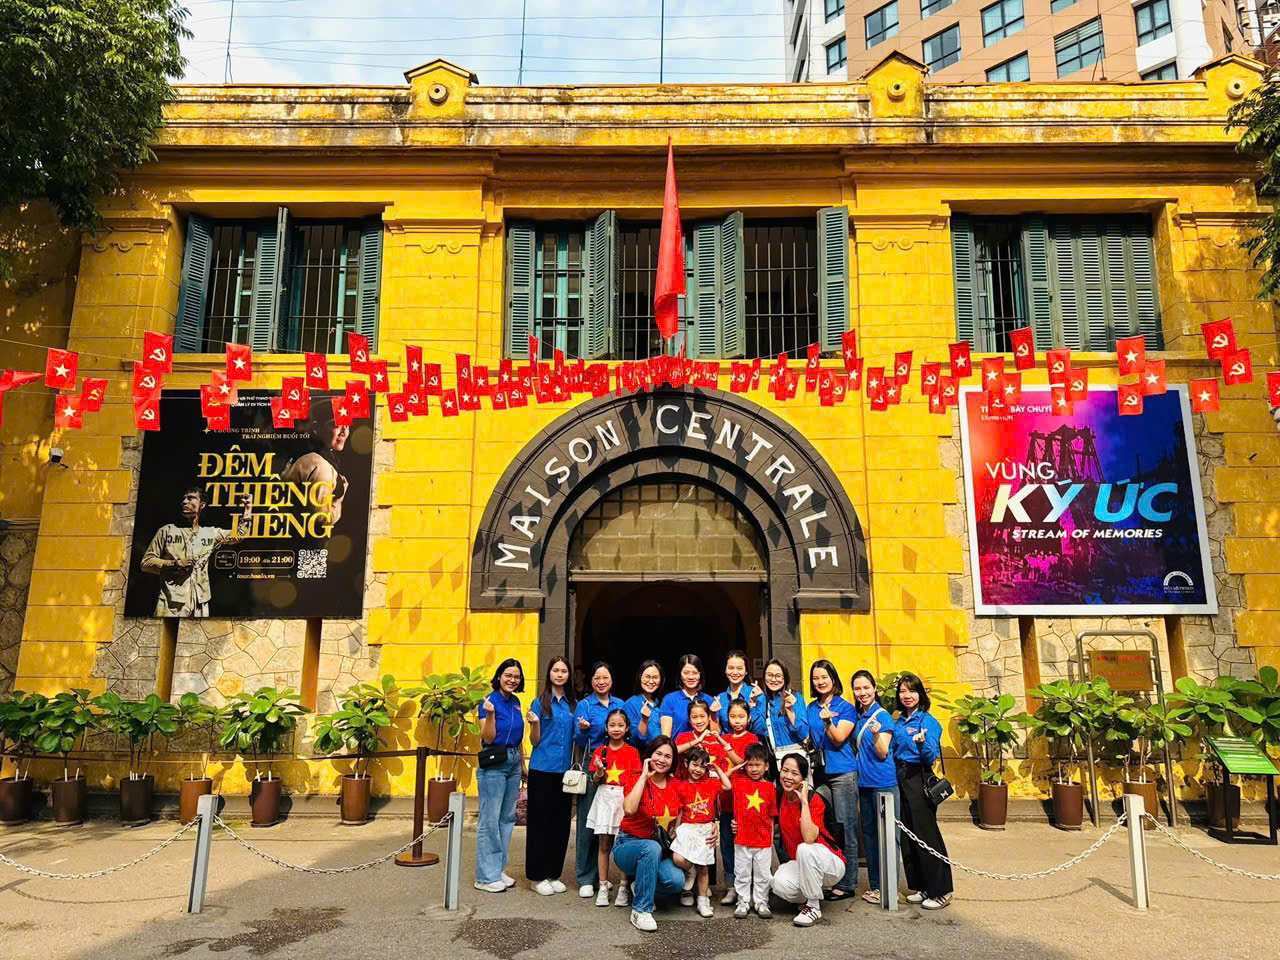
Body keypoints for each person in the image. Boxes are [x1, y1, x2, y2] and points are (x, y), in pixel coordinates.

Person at [140, 486, 252, 617]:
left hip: (200, 603)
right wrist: (175, 563)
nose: (184, 502)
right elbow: (146, 563)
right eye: (184, 499)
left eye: (190, 498)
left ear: (202, 505)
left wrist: (248, 509)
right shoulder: (167, 531)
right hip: (171, 603)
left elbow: (239, 535)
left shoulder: (210, 533)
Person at [613, 737, 688, 933]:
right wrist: (643, 777)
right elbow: (629, 809)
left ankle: (640, 886)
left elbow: (690, 811)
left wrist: (712, 825)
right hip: (628, 844)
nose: (662, 760)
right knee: (650, 848)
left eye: (668, 756)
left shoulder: (676, 784)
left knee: (676, 881)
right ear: (649, 755)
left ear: (673, 761)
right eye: (658, 754)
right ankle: (641, 910)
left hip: (660, 848)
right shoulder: (635, 777)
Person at [893, 673, 954, 910]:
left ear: (920, 694)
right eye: (902, 691)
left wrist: (921, 744)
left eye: (912, 691)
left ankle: (941, 890)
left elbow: (930, 756)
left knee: (926, 833)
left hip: (918, 777)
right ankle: (921, 886)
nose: (907, 695)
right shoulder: (899, 721)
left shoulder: (927, 721)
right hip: (900, 776)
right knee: (909, 834)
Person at [804, 659, 859, 901]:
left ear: (833, 679)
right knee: (824, 825)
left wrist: (828, 722)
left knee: (846, 826)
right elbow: (808, 736)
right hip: (820, 772)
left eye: (824, 677)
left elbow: (838, 739)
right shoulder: (810, 707)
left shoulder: (845, 707)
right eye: (816, 678)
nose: (820, 682)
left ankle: (848, 884)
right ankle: (831, 876)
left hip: (843, 773)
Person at [772, 754, 847, 927]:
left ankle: (814, 907)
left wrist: (804, 802)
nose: (788, 777)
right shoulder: (779, 796)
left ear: (803, 779)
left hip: (830, 863)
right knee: (778, 883)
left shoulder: (814, 799)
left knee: (805, 848)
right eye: (785, 770)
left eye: (795, 773)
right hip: (801, 863)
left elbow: (809, 838)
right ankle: (808, 897)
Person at [850, 669, 903, 905]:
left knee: (889, 837)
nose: (862, 692)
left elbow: (882, 753)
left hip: (883, 784)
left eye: (866, 688)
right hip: (864, 784)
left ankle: (890, 887)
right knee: (870, 836)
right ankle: (876, 886)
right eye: (857, 688)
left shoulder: (883, 717)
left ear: (874, 689)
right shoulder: (858, 716)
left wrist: (875, 735)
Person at [525, 656, 577, 895]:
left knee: (560, 824)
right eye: (555, 670)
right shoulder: (539, 703)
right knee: (540, 824)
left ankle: (554, 873)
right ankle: (536, 876)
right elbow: (534, 741)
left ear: (568, 675)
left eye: (563, 671)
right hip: (542, 770)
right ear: (549, 673)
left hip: (564, 772)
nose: (559, 674)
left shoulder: (573, 704)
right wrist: (535, 723)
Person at [573, 661, 624, 899]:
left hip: (617, 765)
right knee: (588, 820)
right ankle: (585, 877)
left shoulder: (620, 704)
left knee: (609, 822)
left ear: (612, 680)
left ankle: (601, 876)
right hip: (592, 763)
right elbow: (577, 740)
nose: (601, 682)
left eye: (605, 677)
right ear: (591, 681)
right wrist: (583, 730)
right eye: (597, 678)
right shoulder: (584, 705)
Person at [474, 659, 526, 893]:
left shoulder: (515, 702)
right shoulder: (488, 702)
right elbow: (488, 737)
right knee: (490, 819)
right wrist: (490, 715)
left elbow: (519, 736)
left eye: (516, 676)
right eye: (508, 675)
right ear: (499, 677)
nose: (512, 680)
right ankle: (485, 877)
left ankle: (498, 869)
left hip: (513, 761)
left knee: (507, 818)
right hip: (495, 762)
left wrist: (522, 764)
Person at [585, 709, 642, 907]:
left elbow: (636, 780)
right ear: (606, 727)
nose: (616, 729)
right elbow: (595, 780)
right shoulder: (599, 751)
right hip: (604, 797)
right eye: (612, 725)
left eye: (620, 725)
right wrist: (600, 771)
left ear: (627, 728)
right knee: (604, 845)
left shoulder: (632, 751)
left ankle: (624, 886)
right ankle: (602, 886)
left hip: (624, 798)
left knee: (623, 844)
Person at [279, 395, 349, 534]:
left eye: (347, 426)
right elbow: (319, 520)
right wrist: (338, 501)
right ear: (317, 428)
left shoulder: (306, 455)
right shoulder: (320, 465)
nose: (344, 432)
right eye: (337, 424)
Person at [713, 698, 759, 905]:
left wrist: (727, 746)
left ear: (749, 718)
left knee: (746, 844)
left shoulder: (752, 739)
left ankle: (749, 886)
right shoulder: (722, 738)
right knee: (726, 844)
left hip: (747, 800)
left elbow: (744, 763)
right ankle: (731, 886)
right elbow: (718, 769)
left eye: (741, 716)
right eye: (733, 716)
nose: (737, 720)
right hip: (726, 799)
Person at [725, 743, 777, 918]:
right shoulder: (739, 783)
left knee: (763, 874)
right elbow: (721, 781)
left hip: (763, 840)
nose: (754, 769)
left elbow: (772, 815)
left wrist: (770, 838)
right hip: (742, 838)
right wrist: (737, 767)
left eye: (758, 765)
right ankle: (743, 901)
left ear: (766, 766)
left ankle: (761, 902)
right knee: (742, 873)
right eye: (750, 765)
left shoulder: (770, 787)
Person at [669, 746, 721, 918]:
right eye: (694, 764)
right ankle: (690, 871)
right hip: (686, 828)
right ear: (686, 763)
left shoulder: (710, 783)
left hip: (704, 828)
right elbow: (680, 810)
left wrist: (716, 769)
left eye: (702, 766)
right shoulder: (681, 785)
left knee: (704, 867)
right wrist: (676, 829)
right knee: (678, 857)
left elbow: (727, 785)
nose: (698, 769)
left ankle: (703, 900)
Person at [752, 658, 809, 767]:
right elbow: (759, 730)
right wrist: (754, 703)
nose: (773, 679)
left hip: (795, 758)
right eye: (769, 675)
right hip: (774, 759)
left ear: (785, 678)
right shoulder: (763, 699)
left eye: (778, 676)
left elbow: (803, 733)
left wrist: (790, 711)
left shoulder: (795, 698)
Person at [659, 654, 715, 739]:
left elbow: (716, 734)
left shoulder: (710, 700)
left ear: (700, 675)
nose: (691, 677)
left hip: (705, 747)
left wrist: (714, 714)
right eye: (686, 673)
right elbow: (666, 736)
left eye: (695, 673)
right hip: (678, 746)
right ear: (680, 675)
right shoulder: (669, 699)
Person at [710, 650, 761, 733]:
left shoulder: (757, 694)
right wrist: (713, 714)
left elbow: (761, 730)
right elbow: (716, 733)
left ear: (746, 671)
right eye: (731, 668)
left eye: (739, 668)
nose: (735, 672)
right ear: (725, 670)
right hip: (726, 741)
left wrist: (753, 704)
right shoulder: (720, 698)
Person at [623, 660, 665, 751]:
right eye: (647, 677)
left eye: (655, 677)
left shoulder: (662, 703)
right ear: (640, 677)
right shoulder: (631, 704)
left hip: (663, 753)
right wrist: (644, 720)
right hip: (642, 754)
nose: (651, 681)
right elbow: (634, 739)